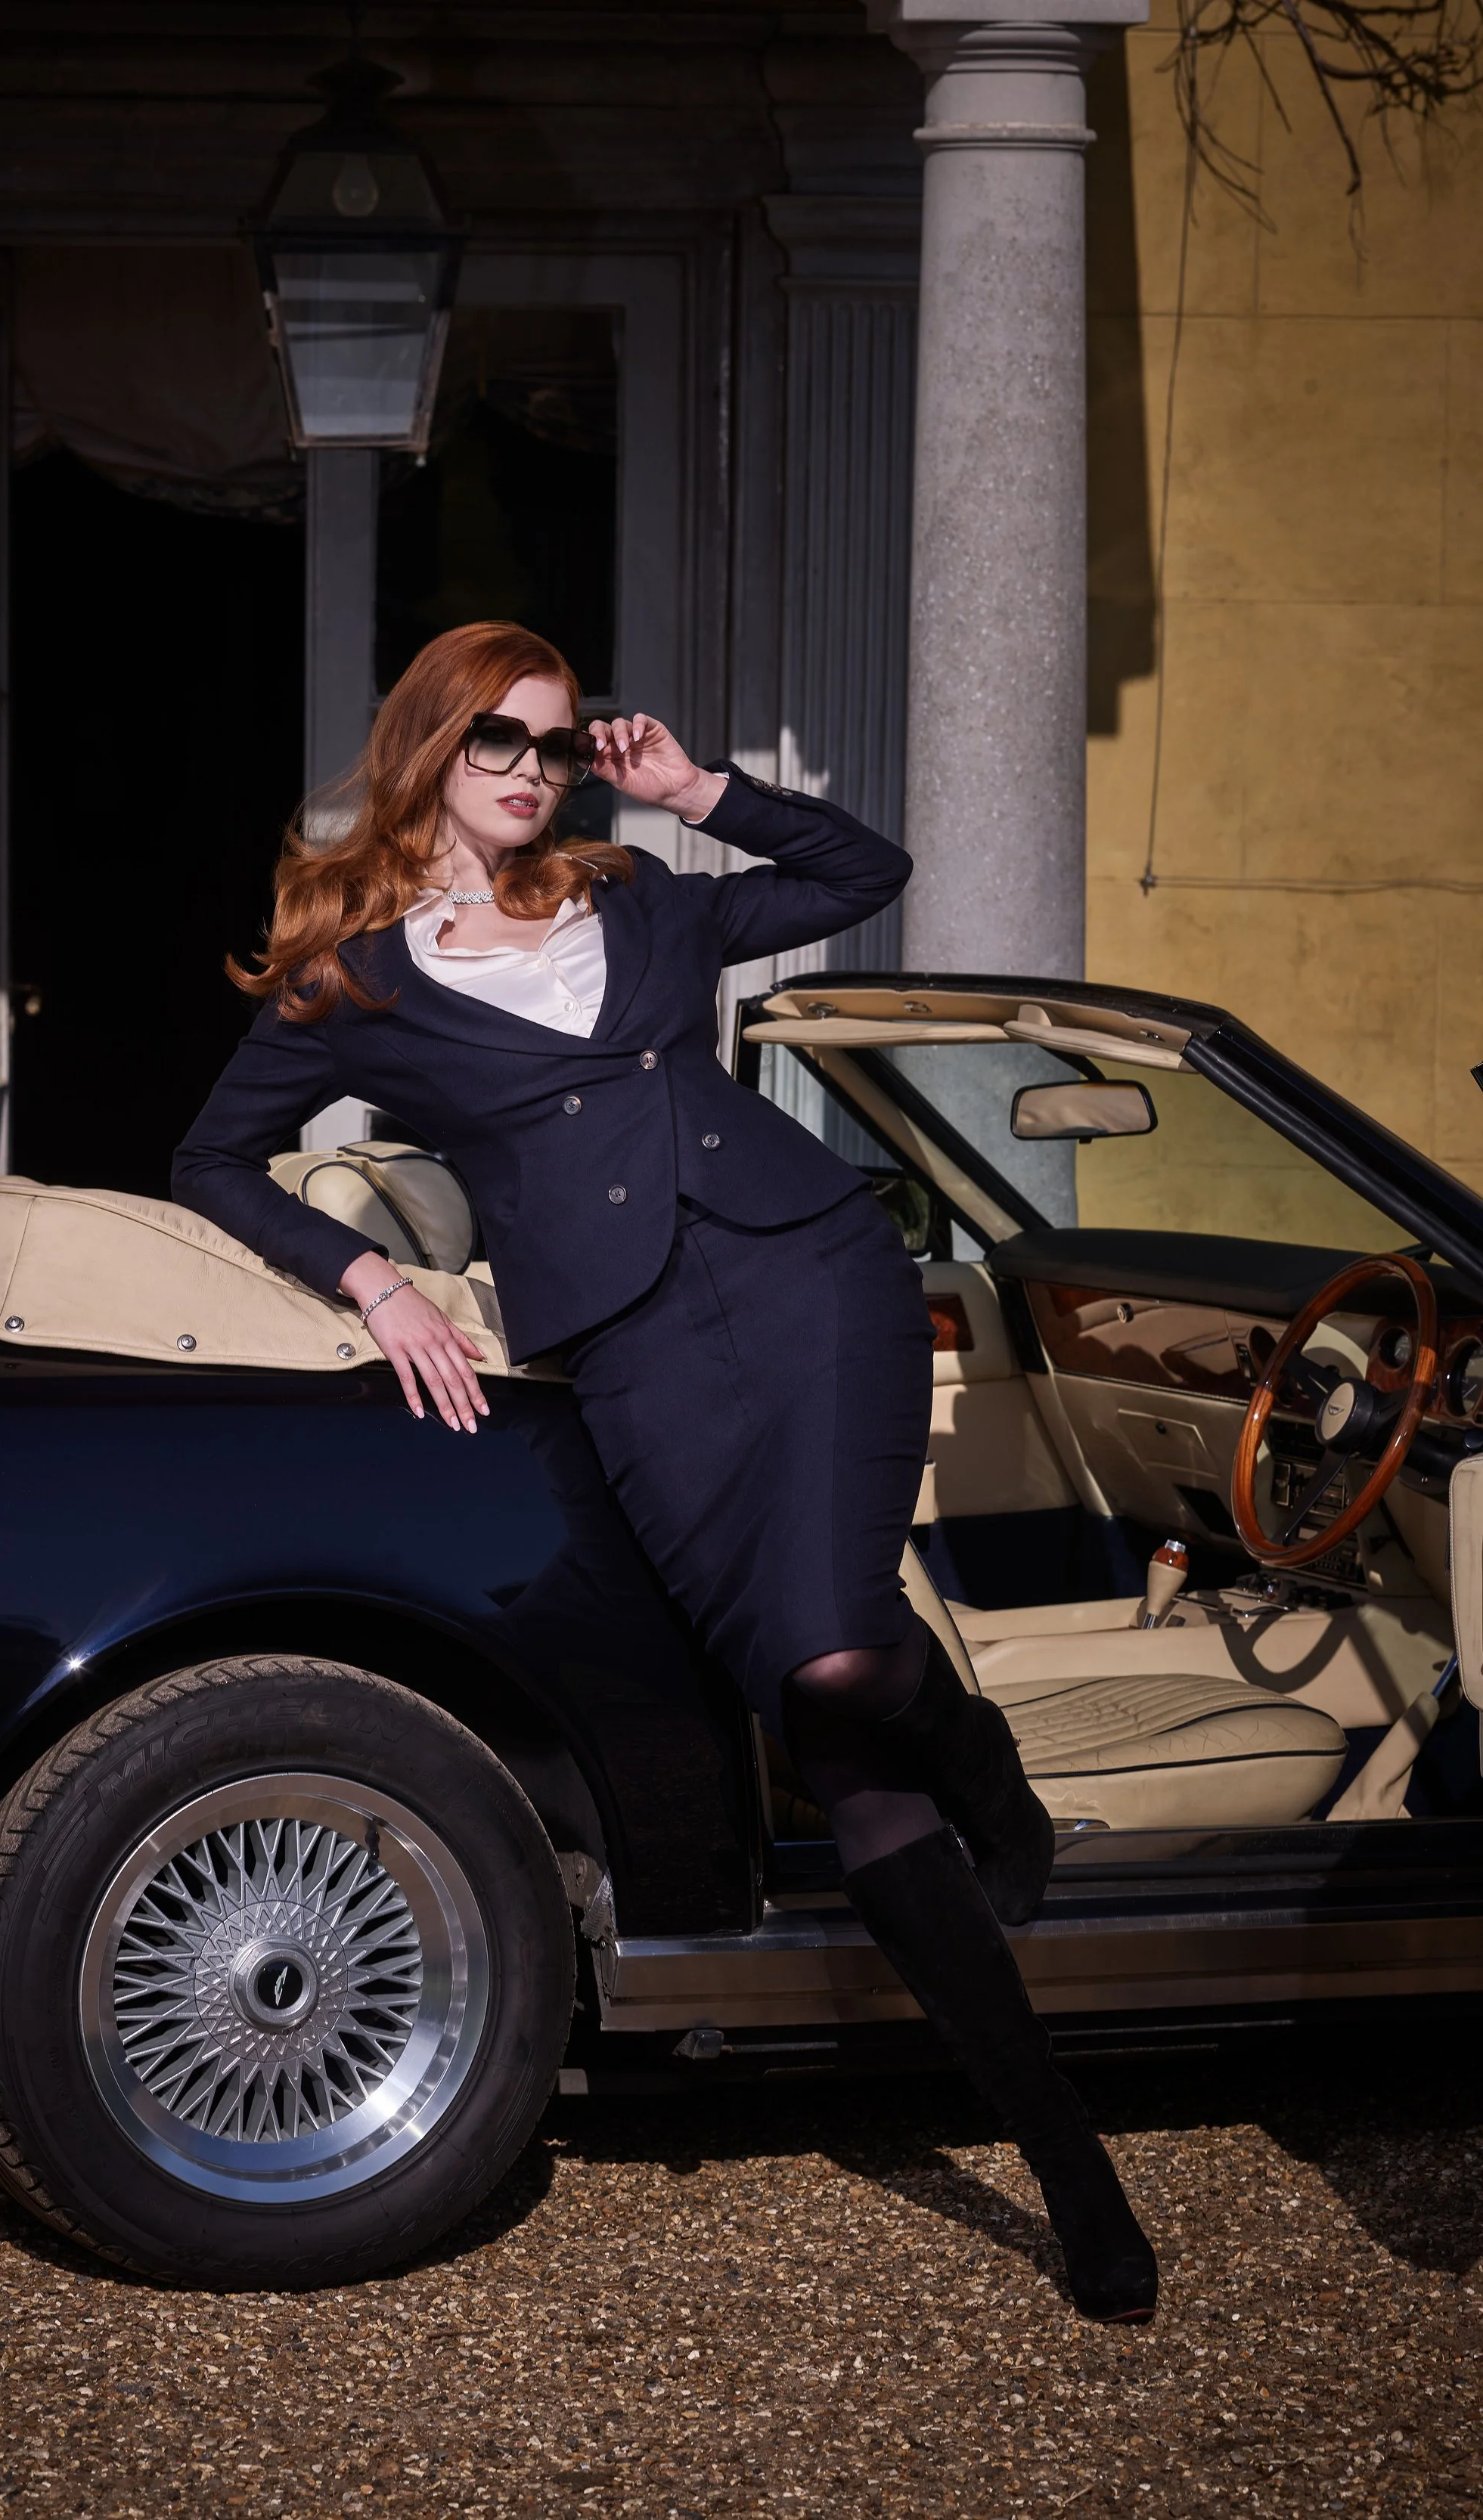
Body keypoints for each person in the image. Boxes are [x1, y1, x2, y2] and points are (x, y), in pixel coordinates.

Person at [172, 620, 1157, 2323]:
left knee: (839, 1647)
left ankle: (1018, 1939)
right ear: (427, 742)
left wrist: (701, 788)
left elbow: (867, 867)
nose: (529, 769)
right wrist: (377, 1280)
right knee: (826, 1717)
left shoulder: (639, 891)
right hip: (630, 1349)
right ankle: (1057, 2113)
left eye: (552, 743)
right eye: (498, 737)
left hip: (807, 1271)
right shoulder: (349, 968)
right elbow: (209, 1157)